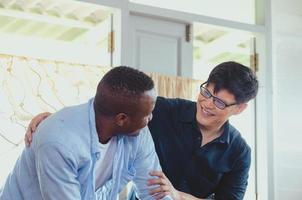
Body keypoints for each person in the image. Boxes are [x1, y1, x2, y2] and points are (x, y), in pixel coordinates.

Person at [24, 61, 259, 200]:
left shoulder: (240, 152)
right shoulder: (164, 110)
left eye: (219, 102)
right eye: (206, 92)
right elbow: (109, 107)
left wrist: (177, 196)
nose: (207, 104)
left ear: (239, 108)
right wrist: (56, 120)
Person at [0, 66, 172, 200]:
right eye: (147, 114)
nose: (151, 118)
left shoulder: (138, 133)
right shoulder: (58, 142)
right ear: (121, 119)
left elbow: (155, 192)